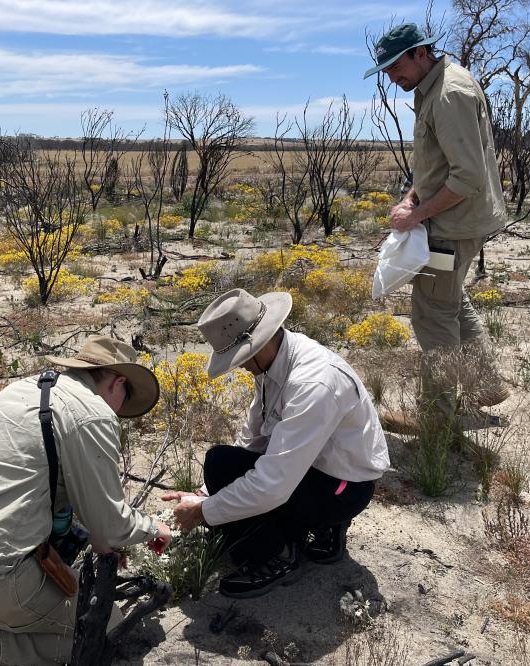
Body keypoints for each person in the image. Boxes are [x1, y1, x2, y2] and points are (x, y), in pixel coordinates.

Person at [0, 335, 172, 665]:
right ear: (118, 382)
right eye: (125, 398)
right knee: (106, 625)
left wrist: (104, 542)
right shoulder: (92, 412)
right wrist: (154, 527)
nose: (121, 410)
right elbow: (110, 525)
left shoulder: (26, 388)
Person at [164, 289, 390, 599]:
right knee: (221, 463)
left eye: (240, 359)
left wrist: (203, 512)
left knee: (232, 503)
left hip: (344, 487)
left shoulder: (313, 383)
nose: (240, 366)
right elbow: (253, 439)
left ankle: (278, 556)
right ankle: (313, 529)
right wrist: (205, 493)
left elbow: (273, 485)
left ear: (261, 341)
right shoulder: (273, 361)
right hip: (315, 469)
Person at [363, 24, 508, 433]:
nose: (392, 77)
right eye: (386, 70)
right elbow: (439, 165)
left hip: (453, 224)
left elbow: (467, 178)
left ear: (420, 53)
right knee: (450, 302)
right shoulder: (436, 87)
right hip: (452, 220)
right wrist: (412, 197)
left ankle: (438, 419)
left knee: (432, 316)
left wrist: (417, 214)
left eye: (395, 66)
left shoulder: (449, 94)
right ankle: (485, 387)